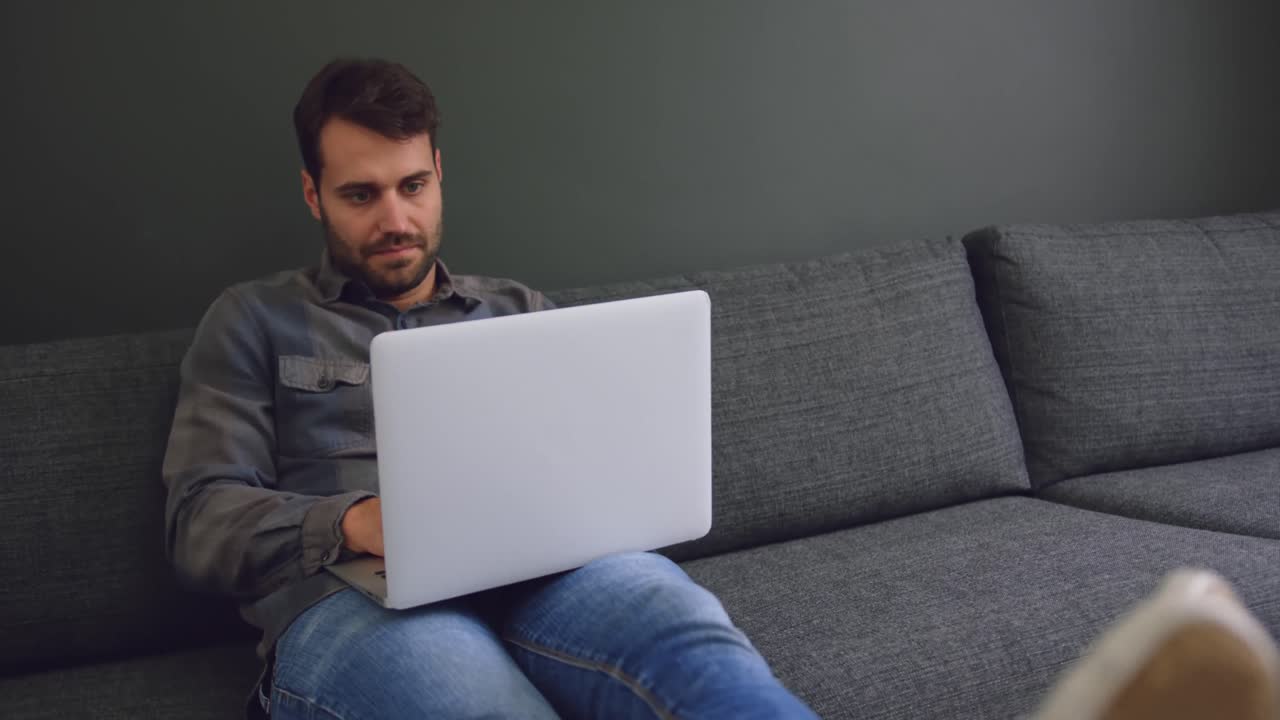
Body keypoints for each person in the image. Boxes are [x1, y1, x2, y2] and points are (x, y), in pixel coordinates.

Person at [162, 57, 1280, 720]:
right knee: (475, 703)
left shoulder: (514, 311)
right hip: (348, 612)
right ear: (312, 194)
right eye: (362, 194)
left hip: (542, 578)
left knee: (679, 629)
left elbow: (596, 472)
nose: (394, 219)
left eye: (412, 186)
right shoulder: (252, 321)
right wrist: (353, 519)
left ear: (440, 175)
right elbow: (197, 523)